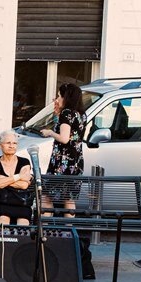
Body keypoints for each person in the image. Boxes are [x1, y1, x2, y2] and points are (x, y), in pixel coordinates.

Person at [40, 82, 86, 215]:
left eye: (59, 96)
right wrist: (56, 115)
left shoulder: (66, 113)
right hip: (76, 161)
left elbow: (64, 138)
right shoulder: (81, 114)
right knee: (69, 199)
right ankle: (69, 231)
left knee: (46, 196)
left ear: (66, 97)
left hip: (62, 162)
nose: (57, 99)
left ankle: (46, 230)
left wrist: (49, 133)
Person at [0, 130, 33, 226]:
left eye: (14, 143)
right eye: (8, 143)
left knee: (23, 226)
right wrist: (19, 176)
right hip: (1, 202)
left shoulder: (24, 162)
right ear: (0, 145)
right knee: (3, 224)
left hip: (21, 202)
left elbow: (24, 185)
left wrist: (2, 180)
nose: (11, 146)